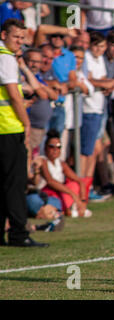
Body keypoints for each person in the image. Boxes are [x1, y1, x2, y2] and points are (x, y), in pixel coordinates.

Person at [0, 19, 48, 247]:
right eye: (15, 37)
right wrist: (26, 122)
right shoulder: (6, 58)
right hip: (9, 128)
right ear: (3, 35)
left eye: (22, 37)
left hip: (4, 127)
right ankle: (19, 233)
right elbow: (12, 95)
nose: (19, 41)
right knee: (15, 184)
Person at [40, 130, 93, 218]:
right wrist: (72, 194)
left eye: (58, 147)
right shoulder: (42, 161)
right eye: (51, 147)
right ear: (45, 148)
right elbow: (50, 181)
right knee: (64, 192)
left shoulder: (61, 163)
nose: (55, 150)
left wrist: (83, 201)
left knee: (75, 184)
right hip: (47, 193)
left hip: (61, 192)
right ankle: (68, 210)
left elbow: (79, 180)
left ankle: (77, 208)